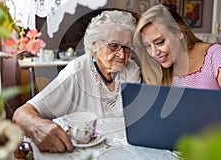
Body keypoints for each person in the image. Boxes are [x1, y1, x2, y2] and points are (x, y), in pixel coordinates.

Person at [12, 10, 141, 153]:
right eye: (114, 46)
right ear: (94, 45)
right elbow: (21, 114)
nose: (122, 55)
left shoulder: (131, 70)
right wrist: (39, 127)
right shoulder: (76, 72)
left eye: (127, 47)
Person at [133, 4, 221, 92]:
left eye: (160, 42)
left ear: (179, 32)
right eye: (147, 46)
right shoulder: (158, 69)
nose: (154, 53)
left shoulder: (215, 55)